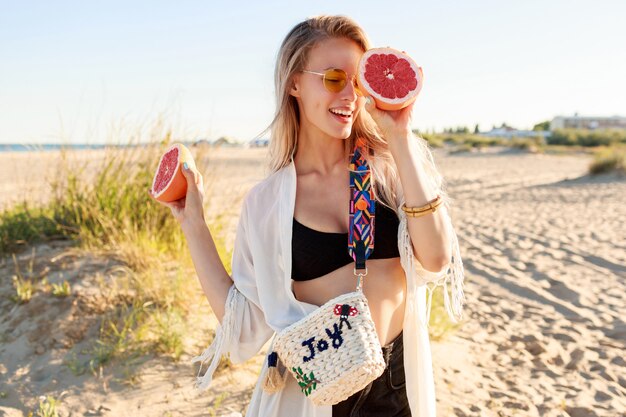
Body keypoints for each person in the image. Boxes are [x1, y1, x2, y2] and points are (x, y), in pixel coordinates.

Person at [150, 14, 465, 417]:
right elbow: (243, 329)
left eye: (357, 81)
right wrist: (192, 224)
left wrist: (400, 136)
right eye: (334, 78)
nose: (349, 95)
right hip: (316, 400)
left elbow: (437, 259)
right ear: (294, 83)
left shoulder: (389, 170)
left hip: (398, 386)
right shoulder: (267, 203)